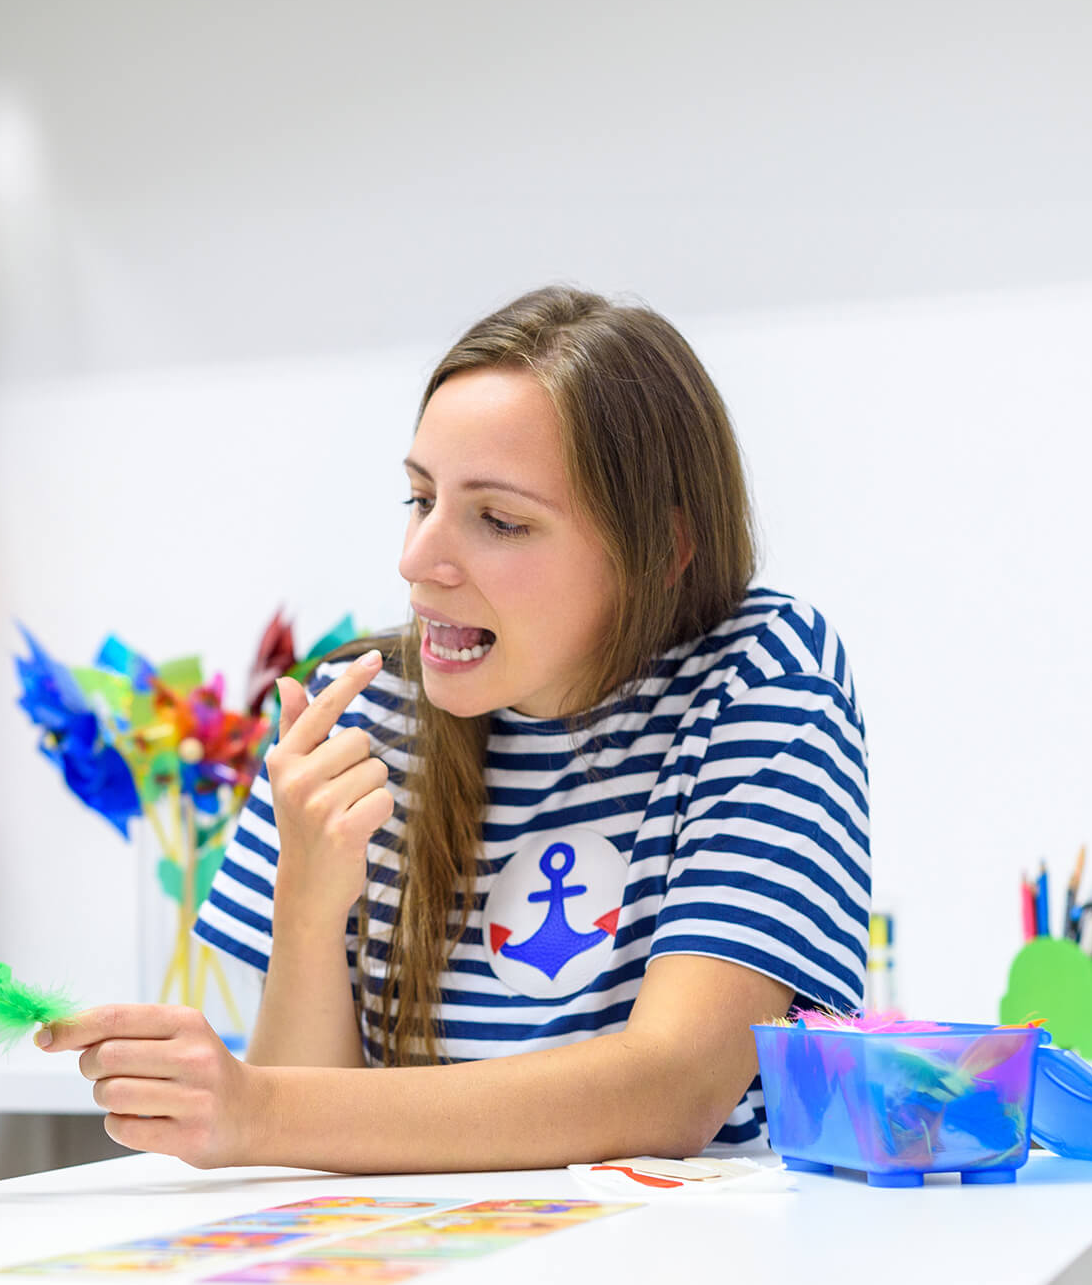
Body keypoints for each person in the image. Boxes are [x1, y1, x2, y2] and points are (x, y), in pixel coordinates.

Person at [42, 286, 869, 1173]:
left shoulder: (760, 671)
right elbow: (294, 1160)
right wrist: (308, 904)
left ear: (662, 552)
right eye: (419, 498)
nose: (417, 561)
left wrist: (258, 1107)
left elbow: (671, 1089)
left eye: (499, 520)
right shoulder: (357, 715)